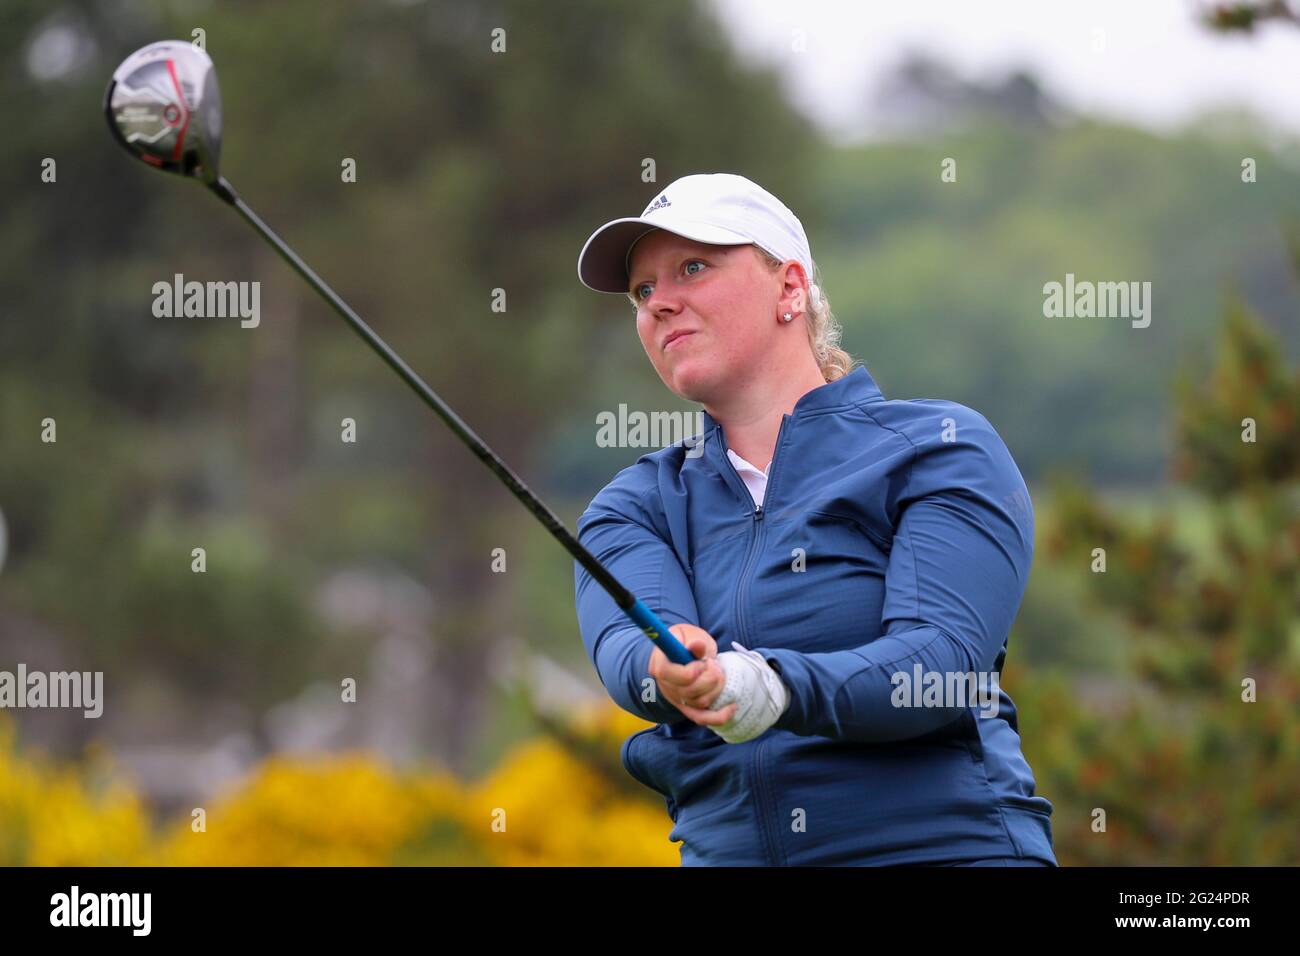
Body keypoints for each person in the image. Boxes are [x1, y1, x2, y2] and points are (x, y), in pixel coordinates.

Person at [572, 172, 1056, 866]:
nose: (660, 304)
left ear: (790, 287)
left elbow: (939, 664)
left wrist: (771, 684)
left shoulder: (939, 448)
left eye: (693, 268)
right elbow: (628, 648)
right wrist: (666, 663)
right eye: (643, 291)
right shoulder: (636, 503)